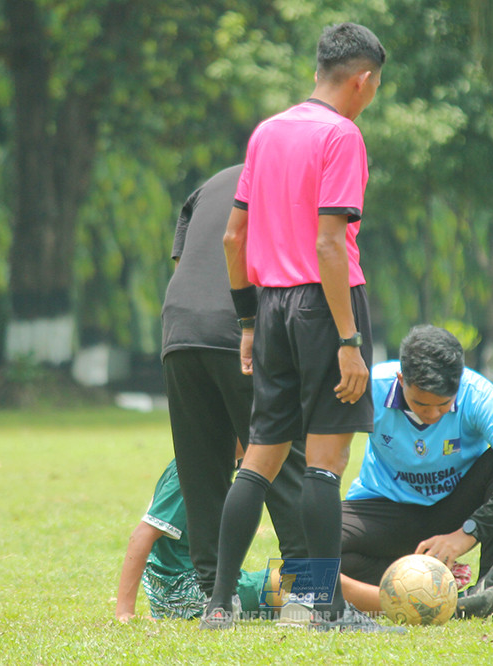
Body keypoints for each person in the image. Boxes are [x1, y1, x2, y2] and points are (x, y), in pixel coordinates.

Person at [201, 23, 397, 633]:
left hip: (272, 304)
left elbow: (234, 236)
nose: (372, 96)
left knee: (258, 460)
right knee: (325, 464)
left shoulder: (267, 133)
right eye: (376, 86)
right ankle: (322, 606)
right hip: (324, 306)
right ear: (361, 80)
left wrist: (249, 323)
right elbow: (330, 243)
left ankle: (218, 603)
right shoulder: (343, 135)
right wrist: (347, 340)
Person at [161, 164, 308, 600]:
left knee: (201, 470)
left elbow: (182, 263)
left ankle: (215, 600)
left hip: (180, 331)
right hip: (243, 328)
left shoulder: (208, 185)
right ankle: (309, 596)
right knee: (285, 462)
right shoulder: (295, 179)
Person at [338, 325, 493, 619]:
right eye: (421, 403)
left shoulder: (478, 394)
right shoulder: (371, 387)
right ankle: (452, 601)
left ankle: (488, 585)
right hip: (384, 510)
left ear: (459, 384)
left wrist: (466, 534)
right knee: (314, 546)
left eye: (443, 405)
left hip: (455, 509)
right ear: (401, 379)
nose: (432, 415)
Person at [114, 459, 275, 620]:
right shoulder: (197, 468)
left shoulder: (194, 458)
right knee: (292, 582)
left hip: (183, 590)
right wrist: (124, 612)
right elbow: (142, 533)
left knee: (287, 578)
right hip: (189, 593)